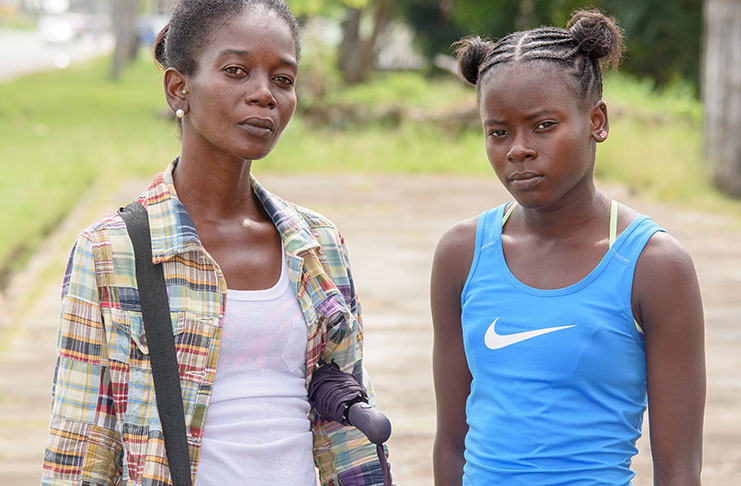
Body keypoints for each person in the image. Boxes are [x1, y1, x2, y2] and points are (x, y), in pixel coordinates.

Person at [40, 1, 389, 484]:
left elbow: (346, 422)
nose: (264, 94)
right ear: (178, 87)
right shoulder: (111, 253)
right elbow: (82, 446)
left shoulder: (318, 245)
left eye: (283, 80)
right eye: (236, 71)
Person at [430, 10, 705, 486]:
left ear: (596, 121)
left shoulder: (653, 267)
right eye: (498, 132)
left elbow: (679, 469)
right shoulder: (462, 255)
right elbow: (452, 442)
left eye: (543, 125)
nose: (518, 149)